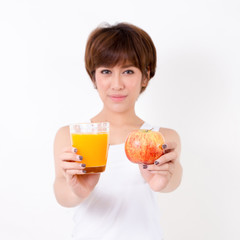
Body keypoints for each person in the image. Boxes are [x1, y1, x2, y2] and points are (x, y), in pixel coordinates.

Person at [53, 22, 182, 240]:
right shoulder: (72, 135)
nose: (116, 84)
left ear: (146, 75)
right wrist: (78, 191)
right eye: (106, 71)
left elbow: (174, 178)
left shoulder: (162, 136)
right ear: (93, 76)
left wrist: (163, 180)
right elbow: (61, 192)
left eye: (128, 71)